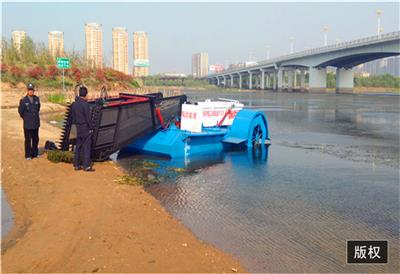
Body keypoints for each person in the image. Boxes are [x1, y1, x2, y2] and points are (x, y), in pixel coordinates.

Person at [70, 86, 95, 172]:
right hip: (85, 128)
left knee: (78, 147)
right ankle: (86, 166)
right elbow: (88, 118)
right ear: (86, 94)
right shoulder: (85, 105)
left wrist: (73, 130)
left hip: (76, 128)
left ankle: (76, 165)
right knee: (86, 147)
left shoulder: (74, 104)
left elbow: (72, 117)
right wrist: (91, 128)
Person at [18, 83, 40, 160]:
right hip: (27, 124)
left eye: (32, 90)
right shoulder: (23, 100)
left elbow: (38, 109)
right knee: (28, 140)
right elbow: (20, 111)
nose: (31, 91)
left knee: (36, 139)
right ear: (27, 91)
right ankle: (28, 155)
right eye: (29, 90)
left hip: (36, 123)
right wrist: (26, 118)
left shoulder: (37, 99)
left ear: (34, 91)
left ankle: (35, 153)